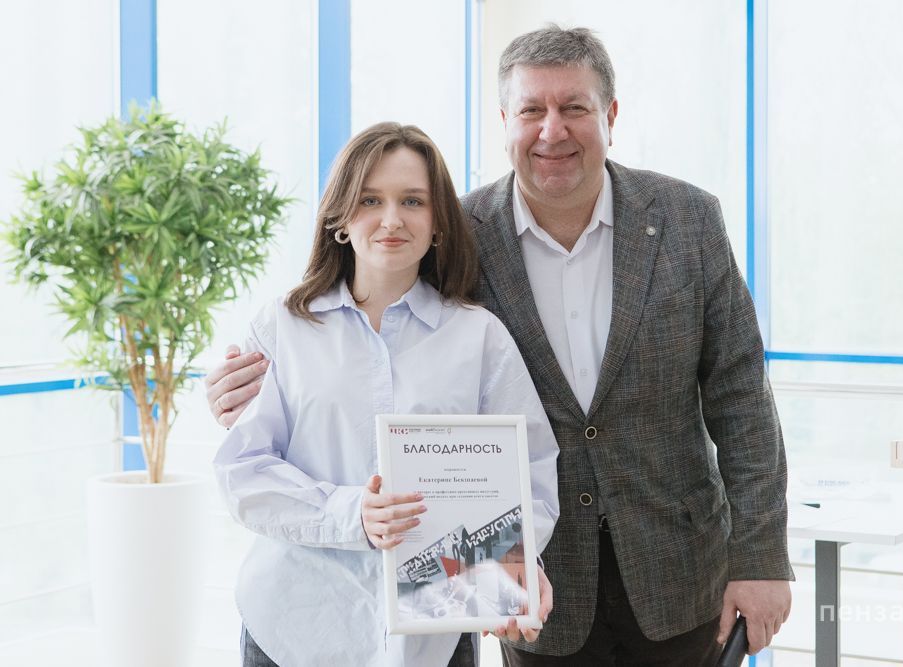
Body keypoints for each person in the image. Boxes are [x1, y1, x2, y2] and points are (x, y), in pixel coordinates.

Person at [208, 26, 793, 665]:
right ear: (505, 121)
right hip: (533, 594)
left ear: (610, 115)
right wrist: (239, 386)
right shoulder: (457, 232)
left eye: (574, 107)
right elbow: (354, 323)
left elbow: (741, 396)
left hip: (677, 572)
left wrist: (761, 558)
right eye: (531, 109)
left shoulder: (686, 219)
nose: (552, 130)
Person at [213, 122, 559, 667]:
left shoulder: (479, 337)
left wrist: (511, 567)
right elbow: (245, 472)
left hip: (435, 638)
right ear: (340, 218)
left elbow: (530, 473)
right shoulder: (284, 326)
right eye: (370, 199)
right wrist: (354, 513)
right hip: (293, 627)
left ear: (438, 223)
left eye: (412, 201)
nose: (392, 219)